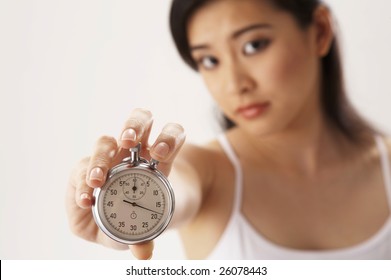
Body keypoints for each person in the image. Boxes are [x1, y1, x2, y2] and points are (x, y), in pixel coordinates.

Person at [66, 0, 391, 259]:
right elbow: (177, 187)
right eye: (209, 60)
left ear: (319, 31)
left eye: (253, 45)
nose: (235, 84)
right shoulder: (206, 172)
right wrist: (122, 196)